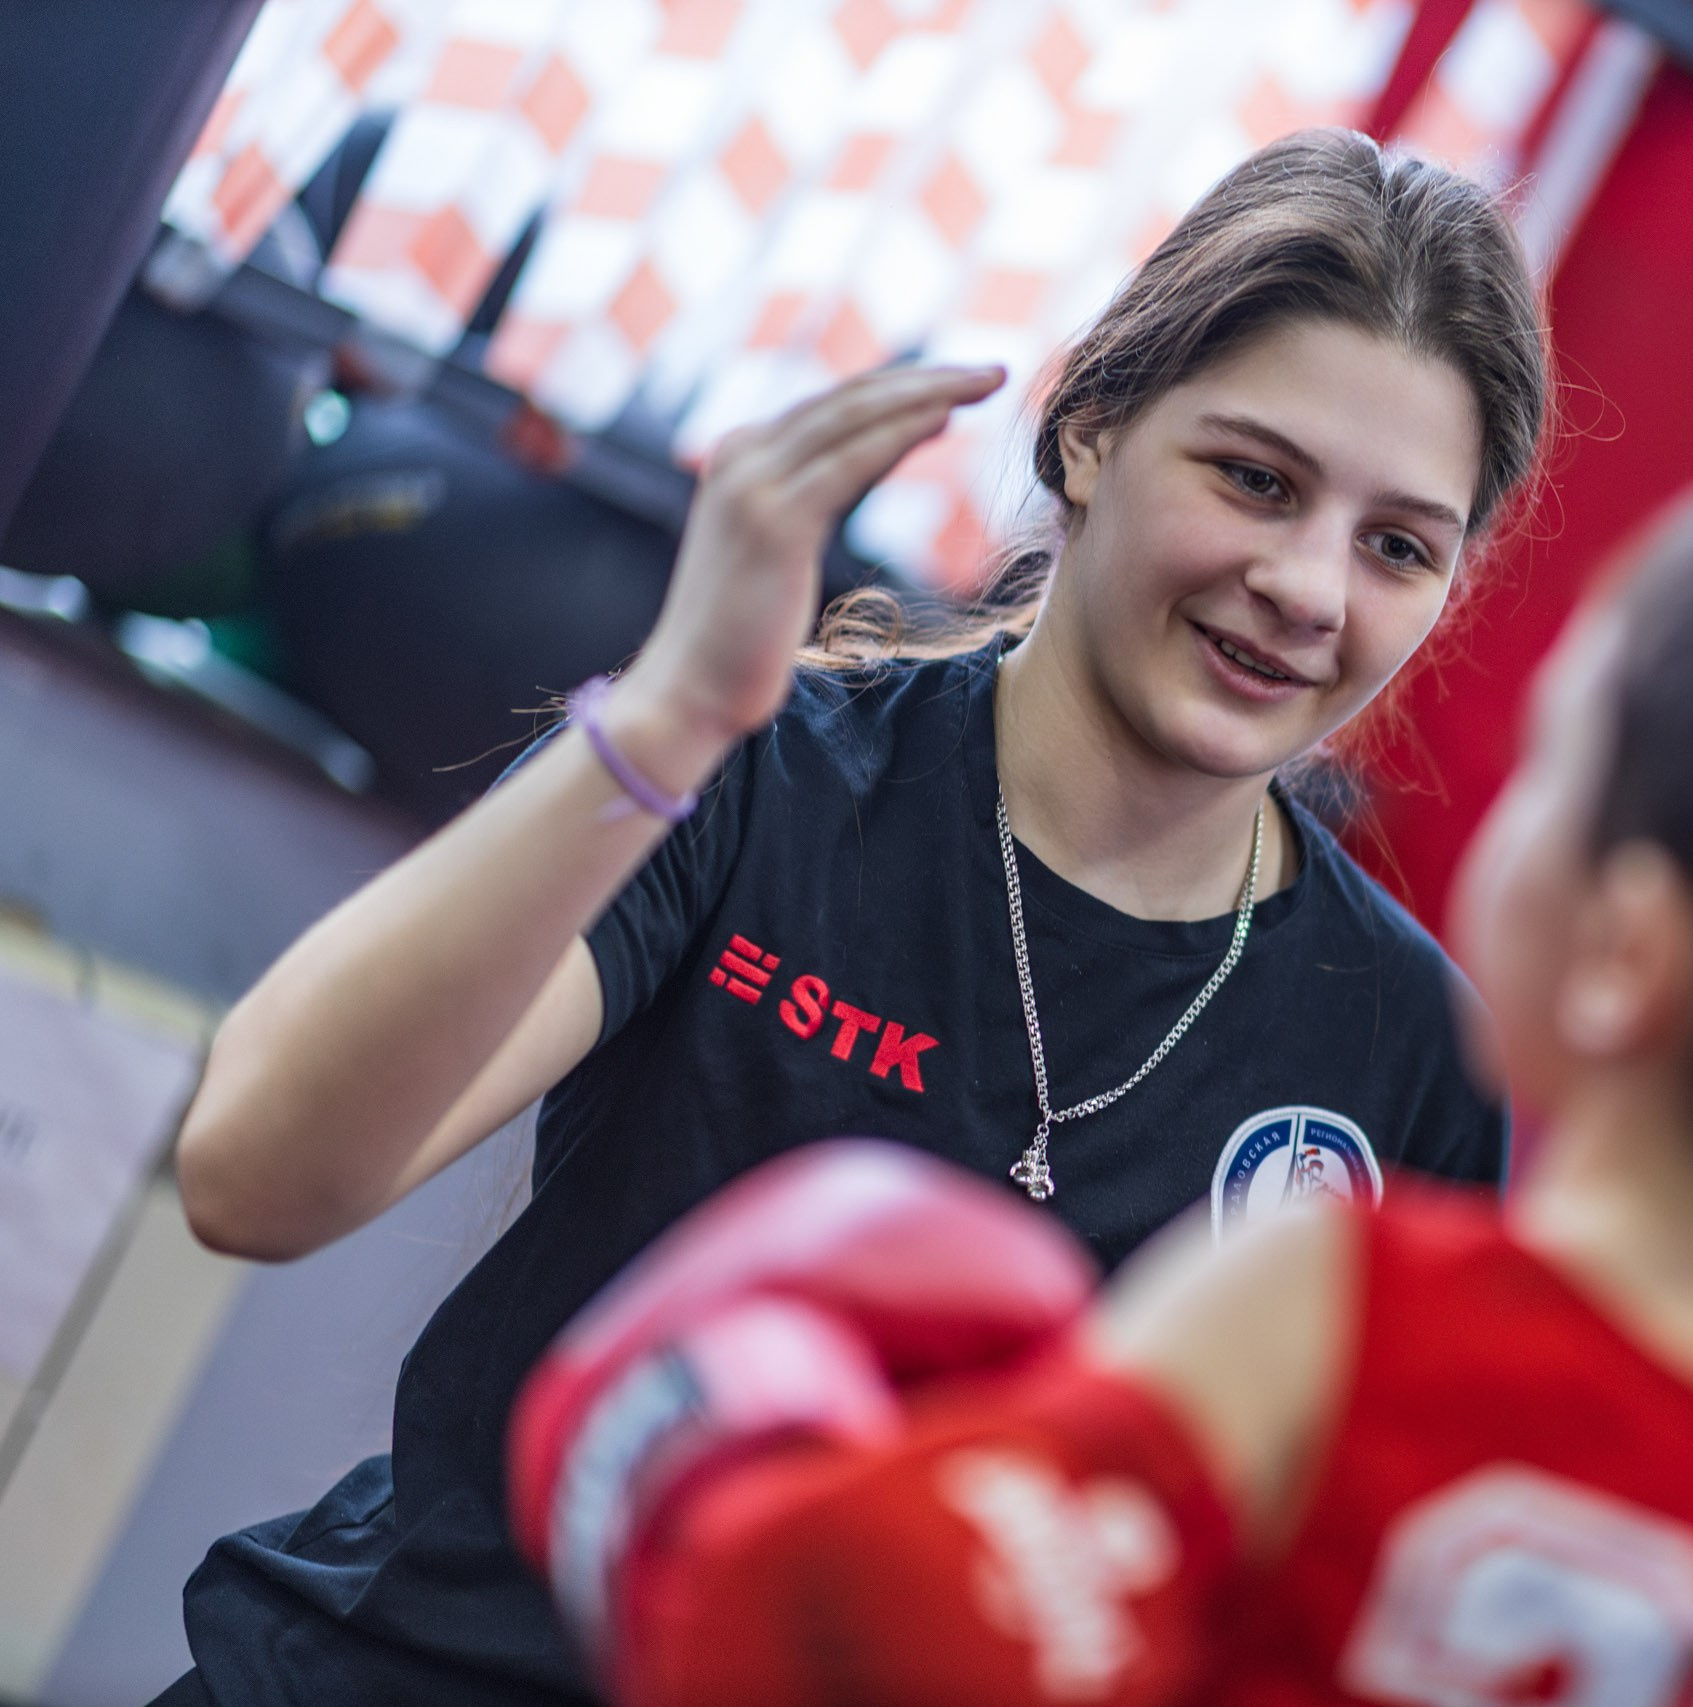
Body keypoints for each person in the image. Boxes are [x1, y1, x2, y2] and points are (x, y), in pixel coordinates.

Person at [153, 127, 1547, 1707]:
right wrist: (670, 716)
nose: (1307, 584)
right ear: (1089, 430)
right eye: (1255, 478)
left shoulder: (1407, 1056)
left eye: (1396, 547)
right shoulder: (756, 772)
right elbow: (252, 1170)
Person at [509, 466, 1693, 1707]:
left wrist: (709, 1454)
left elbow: (837, 1639)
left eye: (1563, 760)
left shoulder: (1350, 1306)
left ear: (1627, 950)